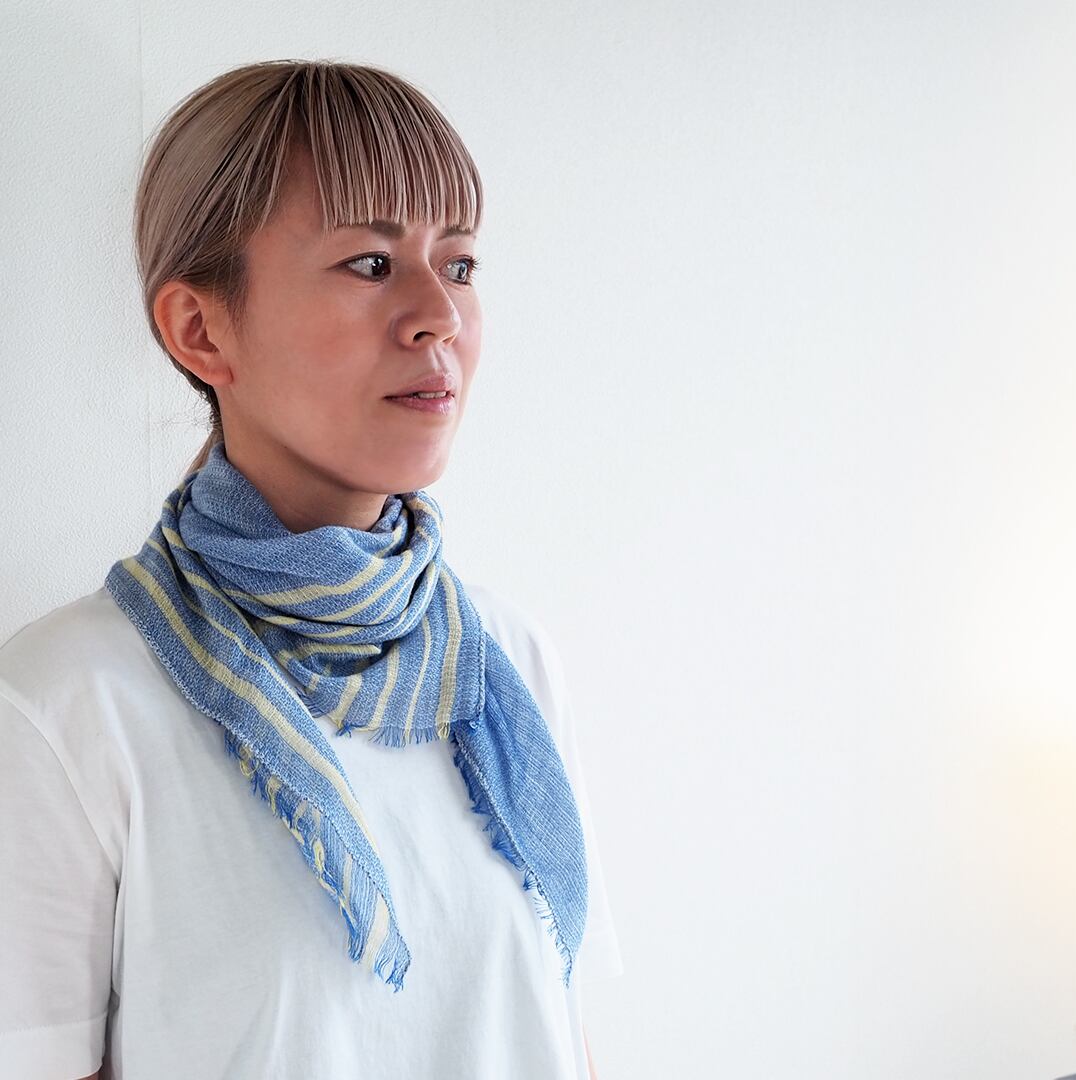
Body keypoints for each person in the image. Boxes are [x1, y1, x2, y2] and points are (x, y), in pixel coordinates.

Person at [0, 59, 623, 1080]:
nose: (438, 314)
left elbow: (558, 1035)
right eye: (371, 263)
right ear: (201, 329)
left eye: (460, 263)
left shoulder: (504, 665)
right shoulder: (68, 700)